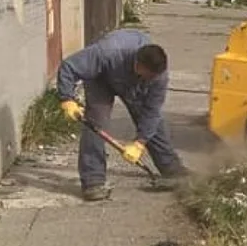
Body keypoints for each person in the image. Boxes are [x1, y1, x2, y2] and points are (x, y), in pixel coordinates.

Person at [55, 29, 189, 201]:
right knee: (96, 122)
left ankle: (171, 169)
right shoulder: (107, 52)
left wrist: (139, 143)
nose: (150, 79)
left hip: (132, 84)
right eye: (147, 76)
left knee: (150, 121)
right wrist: (67, 99)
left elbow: (152, 112)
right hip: (101, 79)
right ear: (138, 64)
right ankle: (93, 181)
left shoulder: (157, 77)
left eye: (152, 78)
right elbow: (69, 67)